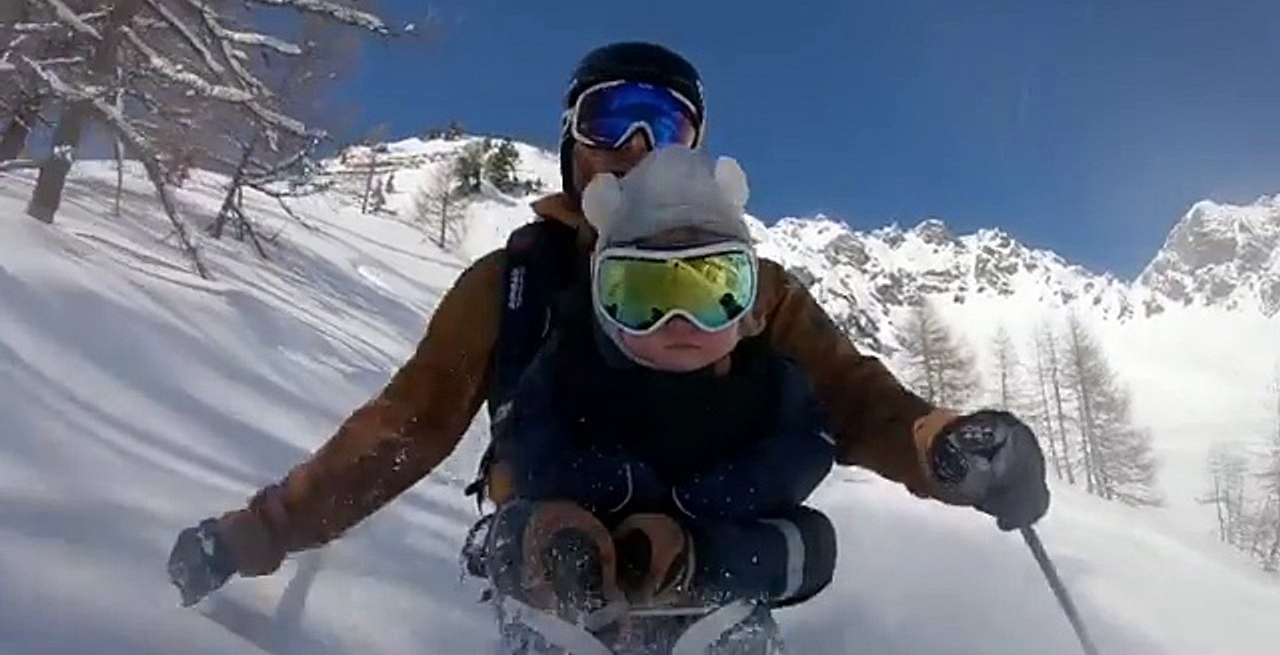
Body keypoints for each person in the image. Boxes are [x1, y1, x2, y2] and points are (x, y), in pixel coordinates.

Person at [167, 41, 1050, 610]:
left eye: (660, 121)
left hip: (718, 549)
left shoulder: (753, 288)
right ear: (571, 144)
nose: (631, 142)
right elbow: (407, 425)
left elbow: (855, 400)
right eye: (607, 117)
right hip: (553, 551)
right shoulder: (516, 282)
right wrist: (263, 530)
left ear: (692, 145)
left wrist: (946, 449)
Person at [478, 145, 838, 645]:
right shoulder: (574, 363)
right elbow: (527, 434)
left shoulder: (768, 381)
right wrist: (600, 498)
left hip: (710, 560)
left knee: (813, 545)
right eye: (643, 296)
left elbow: (804, 452)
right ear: (605, 305)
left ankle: (706, 601)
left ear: (748, 307)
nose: (679, 321)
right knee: (513, 533)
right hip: (584, 538)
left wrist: (695, 526)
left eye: (713, 294)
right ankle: (557, 609)